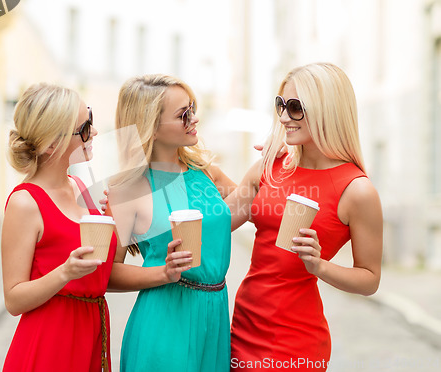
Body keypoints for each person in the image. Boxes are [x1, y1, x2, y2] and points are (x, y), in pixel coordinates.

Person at [227, 62, 383, 371]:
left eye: (295, 107)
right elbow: (216, 222)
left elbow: (369, 280)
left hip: (295, 341)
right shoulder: (269, 167)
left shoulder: (357, 191)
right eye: (281, 105)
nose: (284, 117)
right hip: (243, 325)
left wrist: (319, 265)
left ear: (327, 111)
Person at [105, 74, 236, 372]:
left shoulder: (207, 173)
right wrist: (163, 273)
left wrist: (272, 163)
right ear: (151, 125)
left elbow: (250, 209)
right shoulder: (127, 190)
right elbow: (107, 275)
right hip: (164, 322)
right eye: (183, 114)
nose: (194, 119)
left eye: (192, 108)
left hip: (214, 317)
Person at [1, 83, 117, 372]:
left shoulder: (80, 186)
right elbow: (13, 299)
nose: (96, 133)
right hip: (50, 345)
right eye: (85, 127)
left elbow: (102, 274)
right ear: (51, 144)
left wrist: (165, 273)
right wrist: (64, 272)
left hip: (92, 334)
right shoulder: (25, 202)